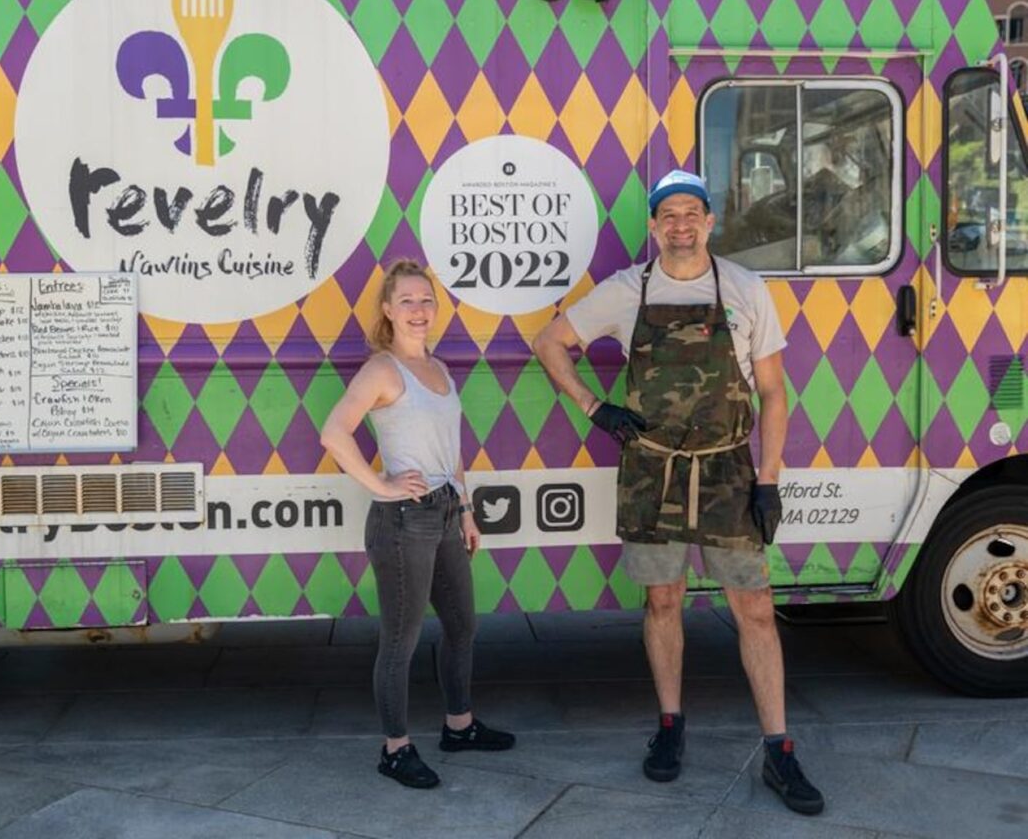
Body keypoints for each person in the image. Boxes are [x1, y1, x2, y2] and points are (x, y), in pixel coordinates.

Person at [532, 170, 825, 816]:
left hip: (728, 471)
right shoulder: (626, 290)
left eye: (692, 212)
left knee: (753, 608)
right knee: (662, 601)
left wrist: (769, 481)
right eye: (670, 215)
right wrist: (592, 406)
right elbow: (549, 341)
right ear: (655, 227)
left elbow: (773, 392)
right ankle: (670, 726)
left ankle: (780, 747)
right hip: (652, 471)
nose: (682, 224)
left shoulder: (746, 289)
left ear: (710, 221)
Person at [320, 258, 515, 789]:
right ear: (387, 310)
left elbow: (451, 450)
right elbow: (334, 432)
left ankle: (459, 726)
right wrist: (381, 485)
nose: (419, 310)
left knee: (462, 626)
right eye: (406, 301)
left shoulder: (439, 368)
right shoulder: (382, 369)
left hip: (446, 512)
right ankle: (395, 749)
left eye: (426, 300)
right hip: (403, 521)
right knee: (400, 641)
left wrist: (468, 509)